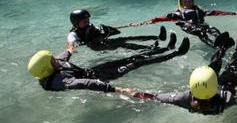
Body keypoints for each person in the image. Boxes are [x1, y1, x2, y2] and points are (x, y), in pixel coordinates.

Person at [126, 33, 237, 115]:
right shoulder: (226, 100)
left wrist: (128, 92)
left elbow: (154, 96)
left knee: (215, 66)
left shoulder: (184, 99)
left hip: (212, 86)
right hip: (226, 85)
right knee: (232, 67)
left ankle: (222, 50)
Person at [28, 33, 189, 93]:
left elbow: (67, 53)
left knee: (130, 59)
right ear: (47, 67)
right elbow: (86, 84)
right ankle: (175, 53)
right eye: (52, 60)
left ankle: (165, 48)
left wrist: (71, 46)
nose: (56, 59)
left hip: (92, 71)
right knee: (136, 63)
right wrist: (116, 89)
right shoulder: (60, 81)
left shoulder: (53, 65)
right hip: (100, 77)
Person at [132, 0, 236, 47]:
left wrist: (234, 13)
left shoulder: (199, 10)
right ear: (181, 4)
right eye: (185, 2)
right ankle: (213, 45)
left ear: (193, 2)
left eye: (189, 1)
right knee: (201, 33)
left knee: (211, 28)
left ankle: (221, 39)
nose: (187, 3)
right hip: (188, 27)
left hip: (200, 25)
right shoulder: (178, 14)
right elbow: (159, 19)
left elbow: (215, 12)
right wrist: (141, 24)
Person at [67, 9, 166, 52]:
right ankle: (150, 48)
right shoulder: (73, 34)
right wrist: (71, 50)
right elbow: (70, 44)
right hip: (96, 47)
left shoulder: (90, 27)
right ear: (76, 23)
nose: (88, 23)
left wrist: (128, 25)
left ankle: (157, 37)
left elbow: (108, 29)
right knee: (122, 44)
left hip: (102, 41)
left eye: (88, 20)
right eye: (84, 21)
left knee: (127, 38)